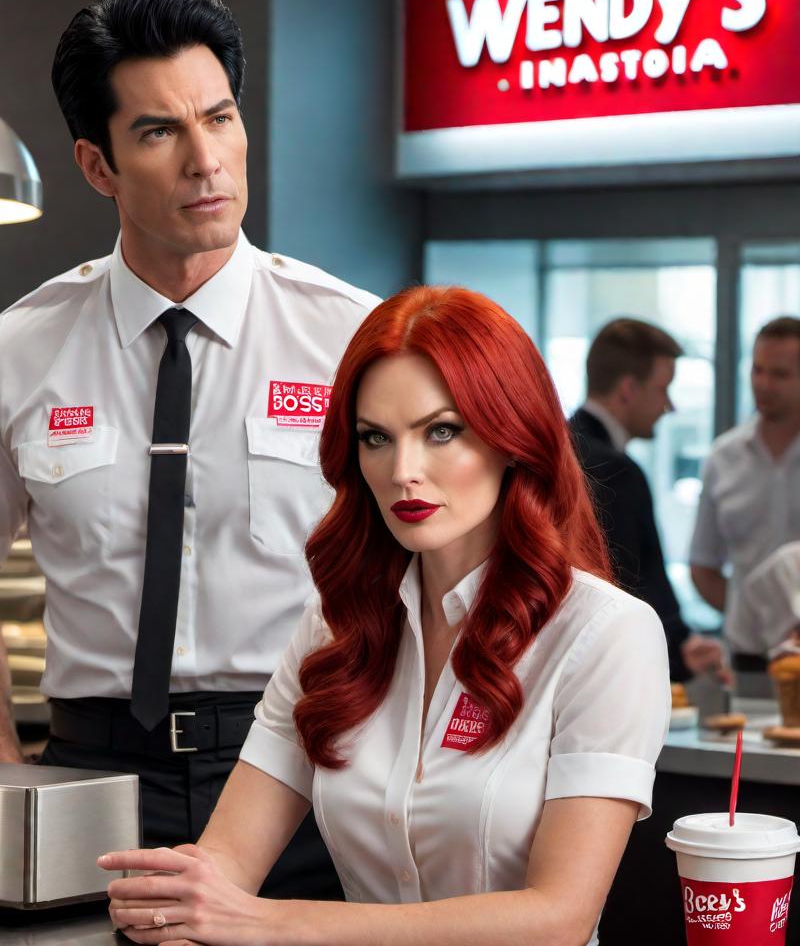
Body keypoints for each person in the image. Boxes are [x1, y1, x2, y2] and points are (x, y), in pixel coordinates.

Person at [0, 0, 377, 898]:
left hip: (307, 767)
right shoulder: (14, 354)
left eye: (221, 117)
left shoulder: (352, 338)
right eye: (161, 132)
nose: (207, 160)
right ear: (99, 165)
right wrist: (6, 776)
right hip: (93, 773)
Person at [100, 286, 670, 946]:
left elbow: (557, 918)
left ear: (513, 438)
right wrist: (175, 901)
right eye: (376, 438)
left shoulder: (607, 635)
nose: (404, 471)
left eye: (442, 432)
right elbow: (228, 863)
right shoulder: (335, 625)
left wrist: (268, 921)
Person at [569, 318, 726, 683]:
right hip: (610, 668)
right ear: (627, 389)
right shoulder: (615, 470)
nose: (669, 405)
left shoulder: (551, 452)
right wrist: (680, 646)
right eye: (663, 388)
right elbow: (633, 582)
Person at [691, 317, 800, 666]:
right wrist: (750, 614)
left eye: (780, 374)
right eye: (758, 370)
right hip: (747, 655)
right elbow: (703, 565)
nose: (764, 384)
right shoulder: (723, 457)